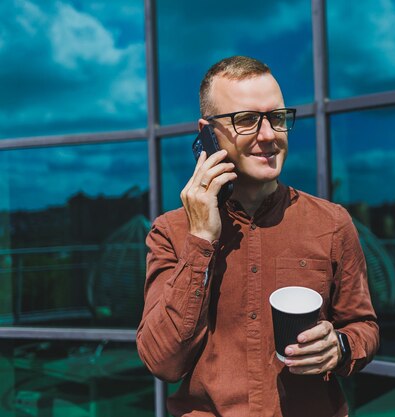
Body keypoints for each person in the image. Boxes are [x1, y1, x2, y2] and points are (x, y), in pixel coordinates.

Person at [136, 56, 379, 417]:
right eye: (247, 120)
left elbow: (363, 326)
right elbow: (162, 362)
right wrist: (202, 238)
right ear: (208, 132)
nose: (268, 135)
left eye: (277, 118)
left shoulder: (332, 223)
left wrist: (340, 347)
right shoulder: (171, 233)